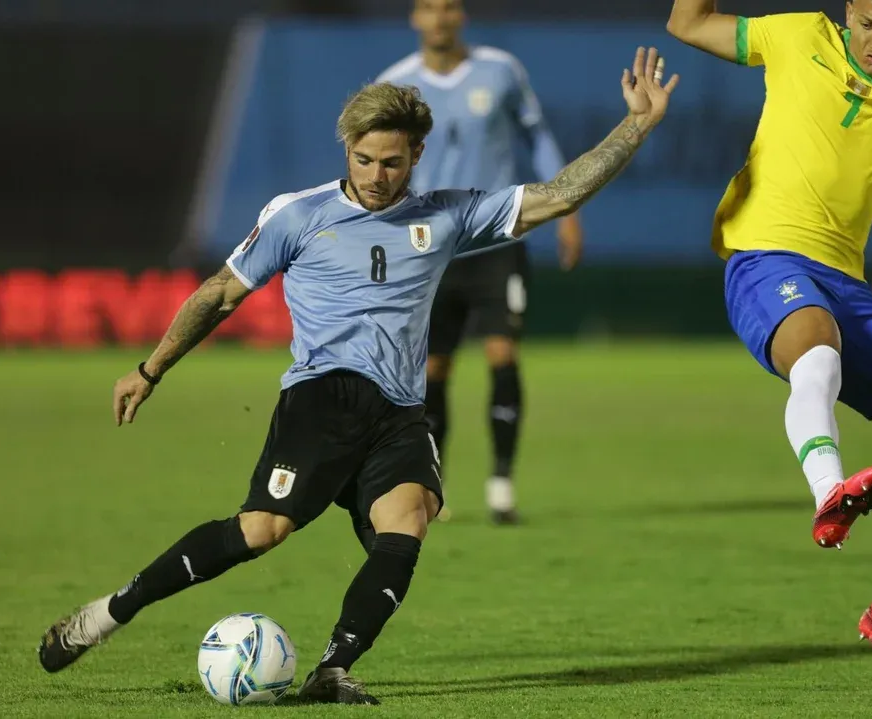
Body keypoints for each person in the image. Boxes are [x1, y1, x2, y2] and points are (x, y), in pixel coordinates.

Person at [37, 47, 679, 703]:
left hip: (398, 413)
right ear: (347, 149)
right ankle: (108, 613)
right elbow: (219, 294)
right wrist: (150, 370)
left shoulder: (445, 215)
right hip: (323, 398)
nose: (376, 175)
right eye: (364, 159)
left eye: (392, 162)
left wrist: (637, 124)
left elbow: (559, 194)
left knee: (410, 519)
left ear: (417, 155)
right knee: (262, 530)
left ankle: (332, 669)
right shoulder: (298, 215)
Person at [667, 0, 872, 667]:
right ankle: (828, 492)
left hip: (848, 284)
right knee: (817, 354)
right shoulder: (797, 36)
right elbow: (687, 23)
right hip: (766, 258)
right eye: (868, 23)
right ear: (849, 13)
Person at [376, 0, 585, 524]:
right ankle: (435, 485)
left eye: (448, 7)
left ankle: (501, 484)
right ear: (415, 17)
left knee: (502, 352)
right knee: (433, 369)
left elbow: (536, 136)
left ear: (461, 15)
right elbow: (378, 166)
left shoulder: (500, 70)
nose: (440, 18)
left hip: (497, 238)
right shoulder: (395, 85)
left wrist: (566, 208)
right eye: (429, 8)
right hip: (429, 245)